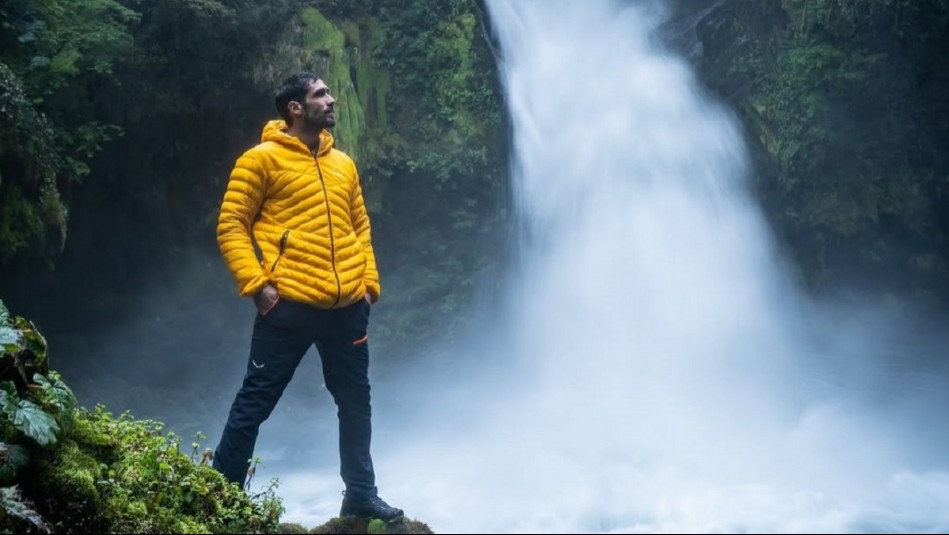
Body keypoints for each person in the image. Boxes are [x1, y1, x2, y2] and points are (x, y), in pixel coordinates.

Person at [212, 72, 403, 523]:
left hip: (347, 309)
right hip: (290, 306)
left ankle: (360, 493)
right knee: (255, 401)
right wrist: (259, 288)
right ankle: (220, 493)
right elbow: (231, 226)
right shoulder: (259, 161)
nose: (332, 99)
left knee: (356, 403)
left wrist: (368, 285)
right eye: (321, 94)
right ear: (296, 108)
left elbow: (360, 226)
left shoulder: (344, 164)